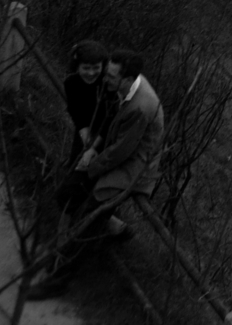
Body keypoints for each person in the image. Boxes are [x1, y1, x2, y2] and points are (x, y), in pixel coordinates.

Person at [29, 49, 165, 297]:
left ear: (127, 79)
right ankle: (95, 235)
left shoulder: (141, 107)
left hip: (133, 168)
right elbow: (114, 135)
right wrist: (92, 150)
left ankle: (58, 280)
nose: (105, 78)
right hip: (115, 154)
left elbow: (122, 152)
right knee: (66, 194)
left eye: (111, 76)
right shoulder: (128, 88)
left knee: (86, 218)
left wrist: (91, 166)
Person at [63, 40, 114, 157]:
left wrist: (93, 146)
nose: (91, 73)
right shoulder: (71, 83)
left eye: (96, 68)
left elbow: (111, 120)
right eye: (86, 68)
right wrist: (87, 143)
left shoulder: (109, 85)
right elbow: (76, 114)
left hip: (108, 134)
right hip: (85, 130)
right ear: (77, 66)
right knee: (77, 162)